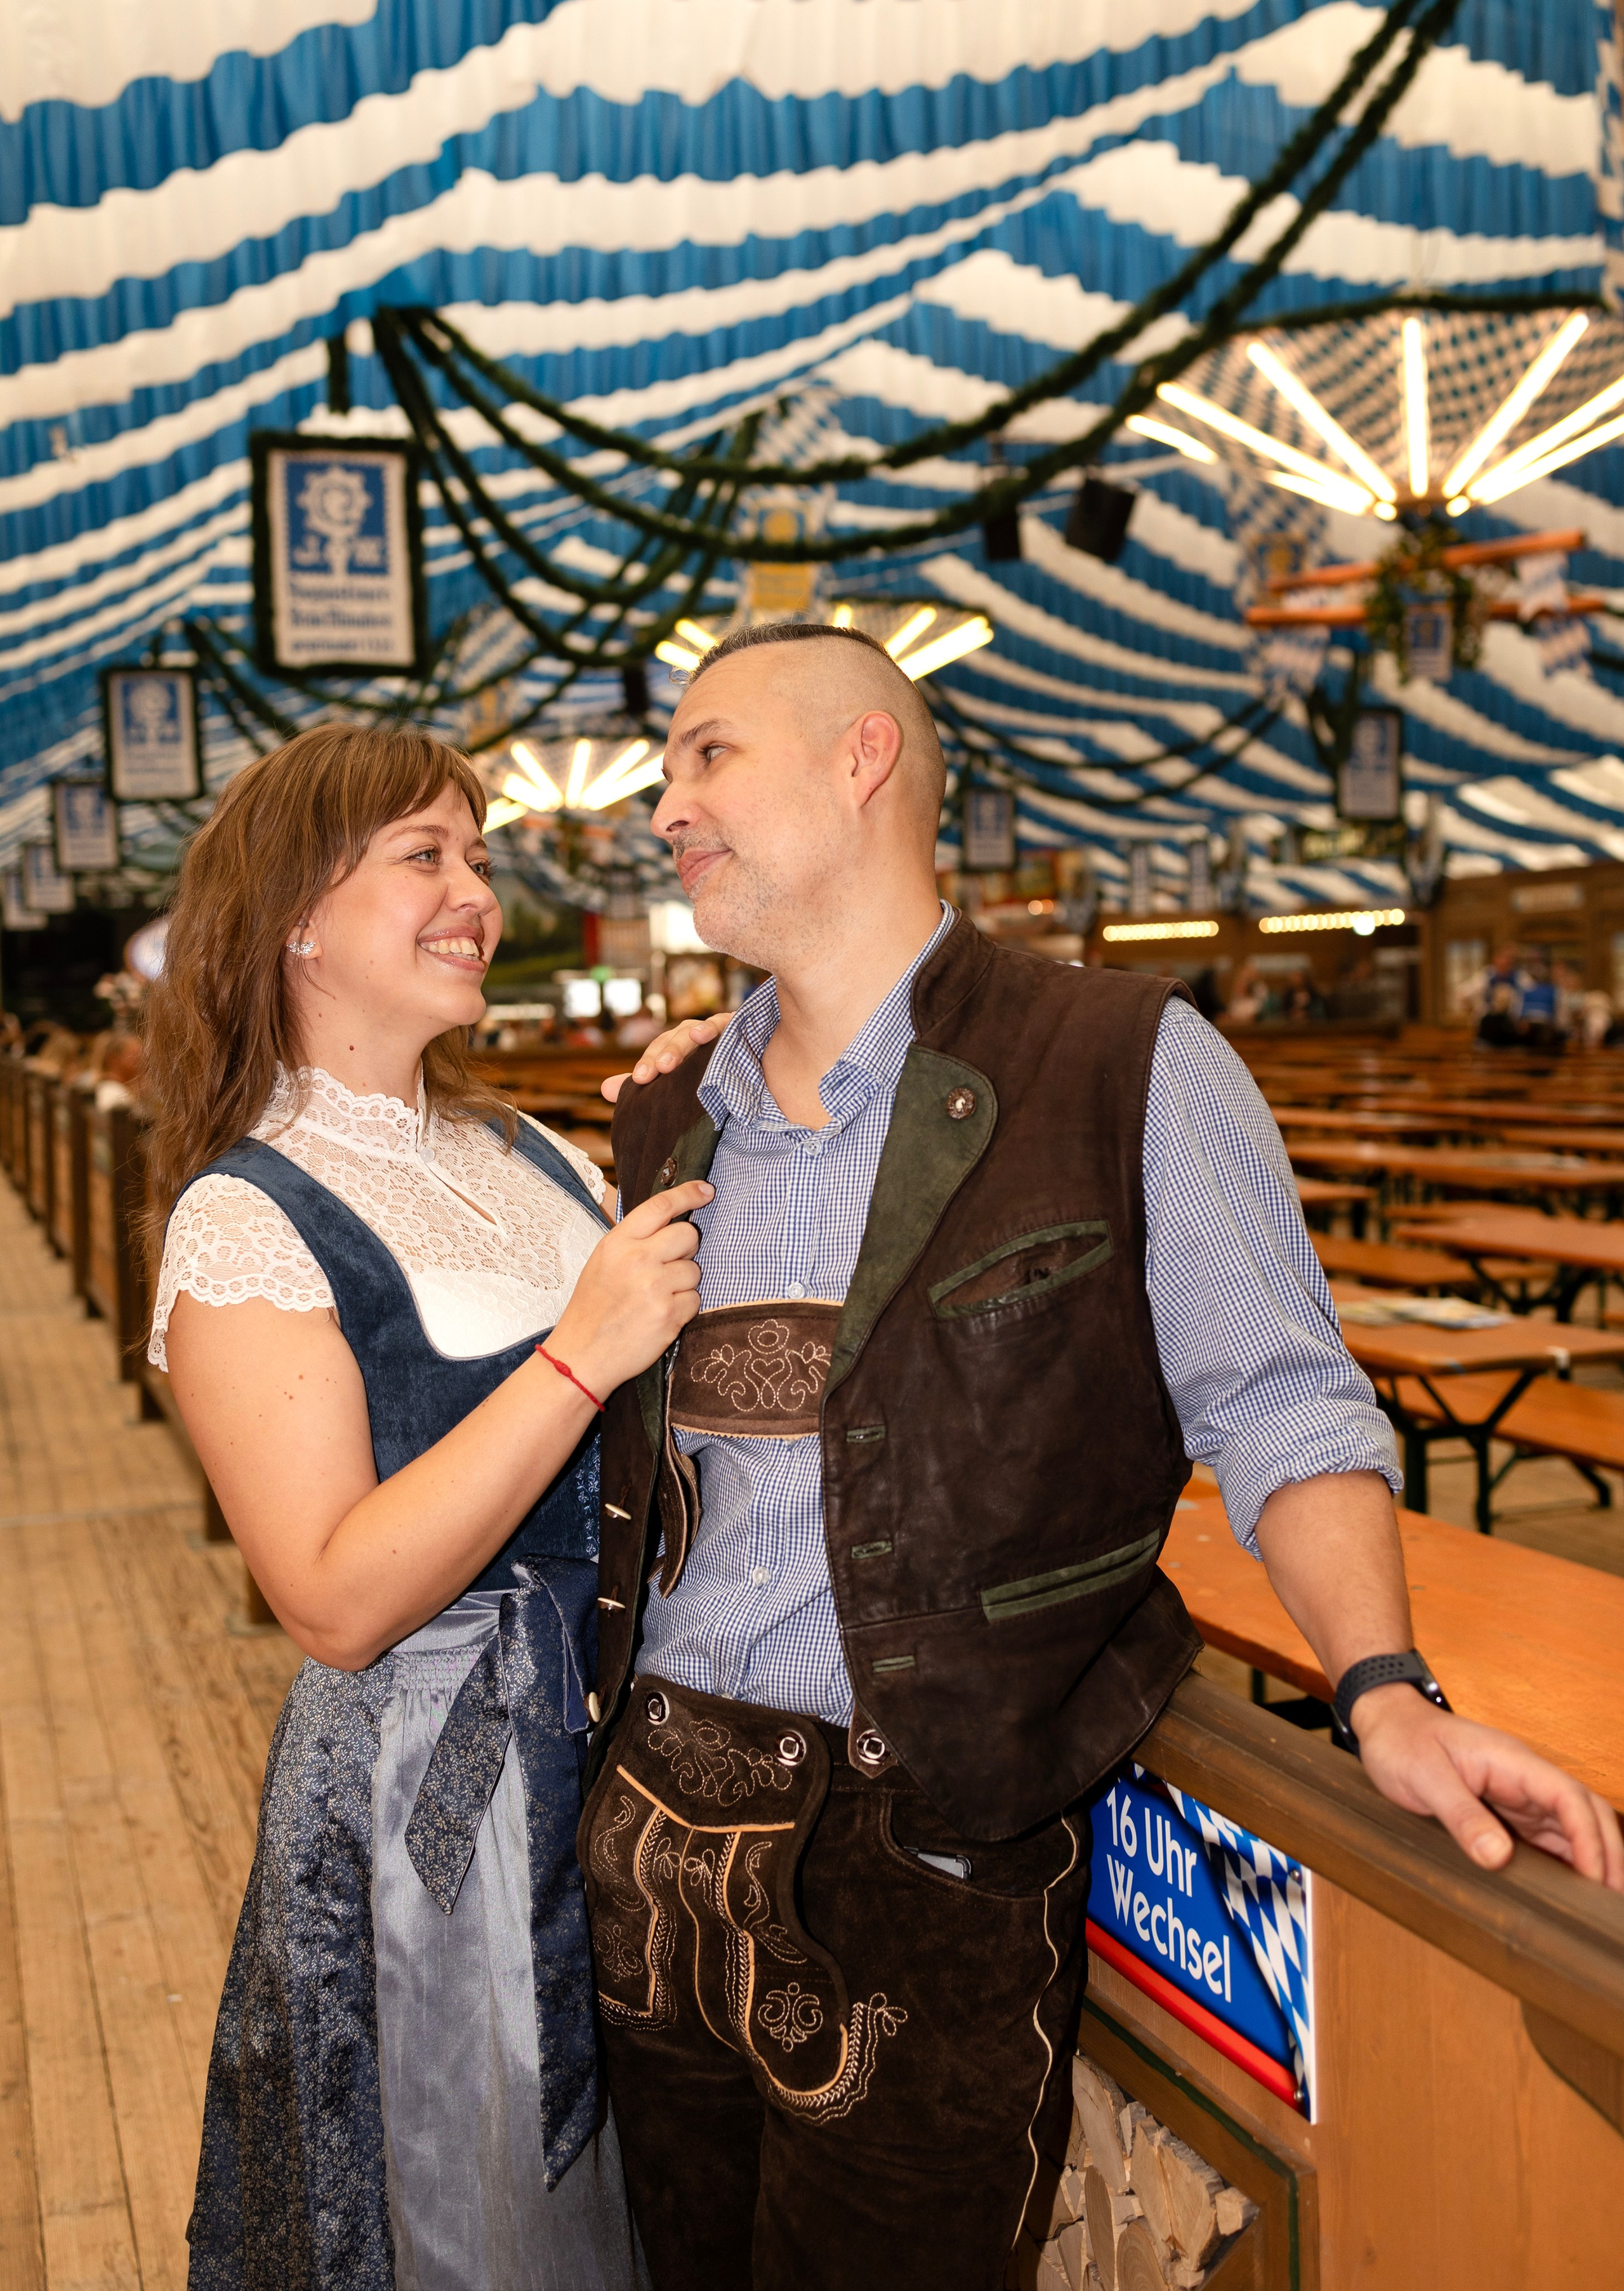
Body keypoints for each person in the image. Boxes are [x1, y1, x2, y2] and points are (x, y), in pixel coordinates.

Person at [586, 622, 1624, 2291]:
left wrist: (1385, 1690)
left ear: (863, 762)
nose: (665, 804)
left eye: (707, 753)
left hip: (918, 1853)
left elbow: (1281, 1408)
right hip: (649, 1853)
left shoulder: (1125, 1060)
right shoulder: (664, 1113)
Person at [143, 721, 714, 2291]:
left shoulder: (525, 1145)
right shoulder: (243, 1212)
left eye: (475, 852)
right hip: (438, 1798)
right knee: (490, 2221)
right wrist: (576, 1357)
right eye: (426, 855)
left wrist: (717, 1104)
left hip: (629, 1749)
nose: (476, 887)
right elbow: (330, 1595)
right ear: (296, 919)